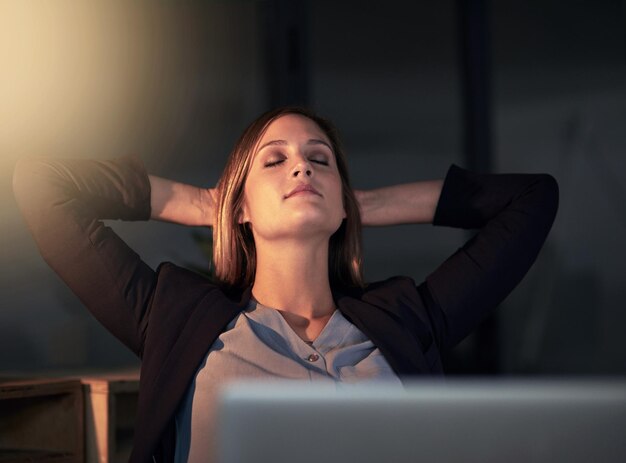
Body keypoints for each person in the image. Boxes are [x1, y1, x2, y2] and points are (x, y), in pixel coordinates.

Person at [13, 106, 559, 462]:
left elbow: (532, 200)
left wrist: (359, 204)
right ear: (243, 205)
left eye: (319, 160)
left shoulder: (406, 319)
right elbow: (41, 188)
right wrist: (206, 203)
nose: (302, 169)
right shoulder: (176, 317)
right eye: (274, 161)